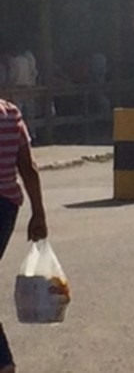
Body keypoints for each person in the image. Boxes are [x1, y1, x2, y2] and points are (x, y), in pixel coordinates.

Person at [0, 99, 48, 372]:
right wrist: (38, 213)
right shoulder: (11, 113)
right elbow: (28, 167)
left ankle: (3, 361)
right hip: (6, 207)